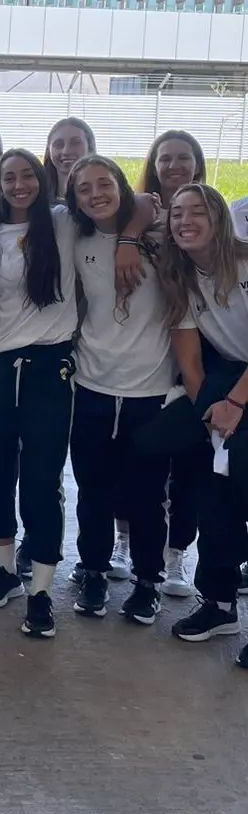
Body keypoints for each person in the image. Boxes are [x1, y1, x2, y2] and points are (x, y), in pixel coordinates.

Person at [0, 150, 78, 638]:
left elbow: (135, 204)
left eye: (27, 174)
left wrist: (133, 240)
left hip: (48, 365)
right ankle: (7, 571)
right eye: (8, 177)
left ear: (42, 179)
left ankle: (42, 592)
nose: (19, 184)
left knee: (41, 479)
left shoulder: (64, 222)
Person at [64, 156, 177, 623]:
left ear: (121, 184)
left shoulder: (160, 233)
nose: (95, 194)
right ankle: (92, 570)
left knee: (147, 494)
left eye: (104, 183)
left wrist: (132, 235)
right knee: (92, 489)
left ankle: (147, 580)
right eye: (84, 188)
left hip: (150, 390)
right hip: (91, 384)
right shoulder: (77, 239)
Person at [155, 184, 248, 668]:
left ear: (220, 218)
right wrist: (211, 414)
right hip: (226, 385)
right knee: (214, 492)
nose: (184, 221)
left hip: (241, 389)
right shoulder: (183, 277)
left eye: (196, 212)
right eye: (176, 214)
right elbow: (190, 363)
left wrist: (234, 403)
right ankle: (220, 603)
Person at [137, 129, 209, 594]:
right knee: (139, 462)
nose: (174, 165)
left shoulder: (208, 218)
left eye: (184, 158)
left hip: (199, 357)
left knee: (191, 466)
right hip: (144, 358)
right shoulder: (137, 217)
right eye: (165, 158)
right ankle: (128, 544)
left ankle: (177, 554)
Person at [43, 117, 96, 202]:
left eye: (75, 143)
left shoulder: (100, 198)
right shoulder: (35, 198)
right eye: (58, 144)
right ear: (49, 150)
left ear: (89, 147)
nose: (66, 151)